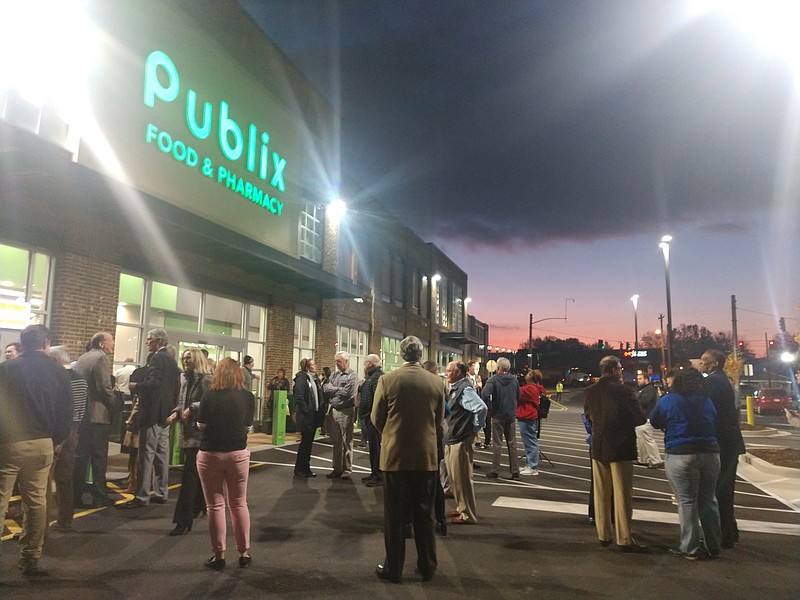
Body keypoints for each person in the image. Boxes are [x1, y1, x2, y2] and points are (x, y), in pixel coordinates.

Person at [371, 336, 445, 583]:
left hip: (395, 456)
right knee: (425, 514)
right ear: (421, 355)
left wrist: (391, 433)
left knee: (394, 516)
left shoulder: (387, 380)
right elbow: (438, 421)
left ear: (403, 355)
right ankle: (427, 566)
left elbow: (376, 417)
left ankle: (394, 568)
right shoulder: (436, 383)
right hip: (426, 457)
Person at [0, 324, 72, 576]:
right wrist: (57, 440)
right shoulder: (59, 371)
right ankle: (30, 557)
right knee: (37, 502)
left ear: (23, 343)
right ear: (46, 343)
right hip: (43, 442)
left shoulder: (6, 369)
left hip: (8, 443)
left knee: (1, 498)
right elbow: (67, 412)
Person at [650, 367, 722, 560]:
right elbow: (713, 418)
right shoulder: (706, 401)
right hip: (710, 453)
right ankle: (714, 545)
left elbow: (655, 421)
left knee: (687, 501)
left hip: (681, 452)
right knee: (709, 500)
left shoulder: (669, 400)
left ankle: (689, 547)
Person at [583, 355, 648, 553]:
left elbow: (588, 416)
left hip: (599, 444)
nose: (621, 371)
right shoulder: (625, 391)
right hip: (621, 446)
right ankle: (624, 537)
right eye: (619, 368)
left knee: (601, 492)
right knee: (622, 494)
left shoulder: (590, 391)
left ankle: (604, 534)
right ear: (613, 370)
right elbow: (639, 418)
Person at [197, 357, 255, 570]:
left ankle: (219, 555)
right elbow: (248, 426)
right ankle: (244, 552)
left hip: (211, 453)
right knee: (239, 503)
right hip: (238, 453)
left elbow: (201, 424)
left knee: (215, 505)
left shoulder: (209, 395)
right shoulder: (248, 396)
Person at [123, 329, 181, 508]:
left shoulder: (156, 358)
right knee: (162, 455)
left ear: (158, 341)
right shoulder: (172, 361)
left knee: (146, 455)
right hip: (165, 414)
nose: (146, 342)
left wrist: (135, 386)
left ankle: (141, 496)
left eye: (149, 339)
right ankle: (161, 492)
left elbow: (153, 384)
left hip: (152, 414)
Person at [699, 349, 745, 549]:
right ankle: (729, 532)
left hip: (722, 443)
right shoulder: (722, 380)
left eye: (704, 360)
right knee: (724, 490)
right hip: (729, 442)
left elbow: (702, 407)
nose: (700, 363)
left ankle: (723, 535)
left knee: (719, 490)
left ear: (714, 363)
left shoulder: (712, 382)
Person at [166, 349, 212, 535]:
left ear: (197, 360)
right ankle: (198, 507)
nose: (185, 360)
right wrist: (176, 413)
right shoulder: (186, 379)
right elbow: (181, 403)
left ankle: (183, 521)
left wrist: (193, 408)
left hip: (199, 436)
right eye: (184, 357)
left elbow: (211, 402)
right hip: (187, 434)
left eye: (188, 358)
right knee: (198, 476)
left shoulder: (206, 379)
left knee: (189, 479)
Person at [47, 345, 88, 531]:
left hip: (56, 432)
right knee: (65, 477)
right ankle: (65, 520)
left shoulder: (57, 378)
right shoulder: (81, 379)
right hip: (74, 430)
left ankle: (41, 524)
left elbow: (57, 408)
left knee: (46, 479)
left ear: (55, 360)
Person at [74, 332, 117, 508]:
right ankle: (100, 497)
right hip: (97, 416)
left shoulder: (83, 358)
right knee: (99, 459)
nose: (113, 344)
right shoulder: (100, 358)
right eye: (111, 341)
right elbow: (104, 387)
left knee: (81, 458)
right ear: (101, 344)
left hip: (83, 415)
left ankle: (75, 495)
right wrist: (115, 404)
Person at [444, 361, 487, 525]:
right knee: (454, 476)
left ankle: (467, 514)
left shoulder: (465, 389)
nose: (446, 373)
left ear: (459, 373)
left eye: (450, 371)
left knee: (462, 477)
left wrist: (475, 429)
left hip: (461, 438)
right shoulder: (457, 388)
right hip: (454, 436)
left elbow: (481, 408)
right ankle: (461, 507)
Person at [481, 357, 520, 480]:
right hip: (510, 415)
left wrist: (490, 408)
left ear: (498, 367)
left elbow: (484, 394)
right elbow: (518, 395)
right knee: (512, 443)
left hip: (498, 415)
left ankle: (495, 470)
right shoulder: (514, 380)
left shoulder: (493, 380)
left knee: (497, 444)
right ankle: (515, 471)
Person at [323, 351, 357, 480]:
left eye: (339, 361)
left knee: (347, 441)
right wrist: (338, 389)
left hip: (346, 411)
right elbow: (325, 389)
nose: (336, 364)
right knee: (336, 442)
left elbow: (347, 393)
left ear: (346, 361)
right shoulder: (334, 375)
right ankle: (336, 469)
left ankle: (347, 469)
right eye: (335, 361)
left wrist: (334, 389)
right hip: (334, 410)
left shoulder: (352, 375)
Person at [292, 358, 326, 478]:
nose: (315, 366)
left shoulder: (314, 379)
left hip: (313, 416)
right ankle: (300, 469)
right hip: (307, 416)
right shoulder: (302, 379)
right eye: (312, 364)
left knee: (308, 444)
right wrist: (307, 410)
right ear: (307, 367)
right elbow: (299, 397)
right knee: (305, 444)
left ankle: (306, 468)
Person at [359, 354, 384, 487]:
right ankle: (374, 473)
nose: (364, 364)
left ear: (370, 364)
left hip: (373, 417)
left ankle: (378, 475)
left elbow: (378, 399)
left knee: (375, 447)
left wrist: (372, 415)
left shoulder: (378, 377)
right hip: (367, 416)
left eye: (365, 362)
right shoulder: (370, 377)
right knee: (373, 447)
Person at [635, 371, 664, 469]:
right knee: (641, 440)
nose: (638, 381)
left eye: (640, 379)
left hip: (646, 418)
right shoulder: (642, 390)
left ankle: (656, 460)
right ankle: (643, 459)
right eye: (638, 379)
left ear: (646, 379)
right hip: (640, 418)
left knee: (648, 439)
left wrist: (635, 399)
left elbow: (644, 402)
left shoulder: (649, 389)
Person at [518, 369, 544, 476]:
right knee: (529, 442)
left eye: (529, 374)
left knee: (531, 443)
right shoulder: (533, 388)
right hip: (527, 417)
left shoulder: (530, 388)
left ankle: (532, 466)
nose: (526, 375)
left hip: (527, 417)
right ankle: (530, 464)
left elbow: (517, 392)